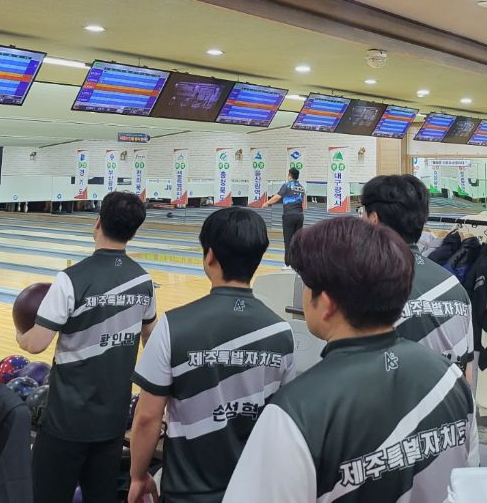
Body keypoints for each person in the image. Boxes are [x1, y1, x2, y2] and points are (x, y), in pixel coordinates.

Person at [223, 217, 473, 502]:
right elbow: (467, 480)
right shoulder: (452, 378)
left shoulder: (296, 410)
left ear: (327, 304)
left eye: (307, 285)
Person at [129, 207, 295, 503]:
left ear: (210, 256)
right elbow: (282, 418)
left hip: (186, 491)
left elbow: (147, 418)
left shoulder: (172, 326)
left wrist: (138, 476)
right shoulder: (282, 332)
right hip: (252, 490)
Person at [18, 191, 156, 503]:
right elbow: (151, 339)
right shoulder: (143, 281)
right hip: (112, 420)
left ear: (97, 222)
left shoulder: (70, 279)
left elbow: (37, 343)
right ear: (134, 232)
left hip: (65, 420)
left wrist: (20, 335)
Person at [360, 175, 475, 380]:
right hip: (451, 399)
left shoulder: (364, 285)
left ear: (374, 220)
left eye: (362, 213)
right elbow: (467, 372)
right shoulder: (455, 287)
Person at [262, 167, 306, 265]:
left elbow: (277, 197)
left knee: (288, 240)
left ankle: (288, 263)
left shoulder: (287, 185)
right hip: (299, 216)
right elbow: (302, 202)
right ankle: (298, 262)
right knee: (297, 239)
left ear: (290, 175)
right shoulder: (302, 188)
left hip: (289, 216)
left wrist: (267, 203)